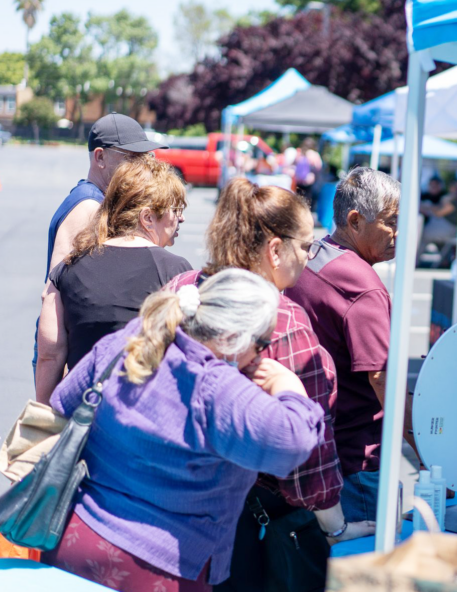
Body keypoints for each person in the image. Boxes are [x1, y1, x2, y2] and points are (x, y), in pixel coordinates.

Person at [42, 269, 325, 591]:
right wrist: (288, 387)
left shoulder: (128, 341)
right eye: (260, 344)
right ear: (233, 339)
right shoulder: (217, 388)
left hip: (75, 537)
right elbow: (294, 444)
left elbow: (63, 402)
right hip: (156, 565)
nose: (260, 355)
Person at [164, 179, 369, 587]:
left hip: (172, 510)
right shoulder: (282, 320)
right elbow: (306, 455)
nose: (310, 258)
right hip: (251, 528)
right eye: (306, 246)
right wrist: (336, 527)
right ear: (275, 250)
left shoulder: (183, 289)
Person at [285, 167, 413, 524]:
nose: (399, 233)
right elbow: (382, 378)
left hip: (319, 450)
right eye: (391, 221)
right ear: (355, 221)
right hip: (358, 461)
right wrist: (424, 451)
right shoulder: (364, 288)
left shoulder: (316, 256)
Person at [36, 157, 192, 404]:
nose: (180, 219)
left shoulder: (67, 268)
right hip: (142, 417)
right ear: (147, 218)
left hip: (81, 413)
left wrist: (45, 418)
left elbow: (49, 355)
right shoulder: (177, 271)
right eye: (175, 210)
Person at [35, 112, 166, 373]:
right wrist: (58, 378)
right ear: (100, 157)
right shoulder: (88, 206)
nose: (140, 166)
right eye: (131, 157)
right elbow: (55, 295)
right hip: (68, 361)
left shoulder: (99, 201)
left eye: (144, 157)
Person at [418, 176, 457, 265]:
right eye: (431, 185)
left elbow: (439, 213)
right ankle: (444, 261)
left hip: (445, 228)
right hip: (437, 226)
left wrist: (427, 207)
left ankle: (414, 261)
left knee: (422, 234)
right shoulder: (425, 195)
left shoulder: (448, 197)